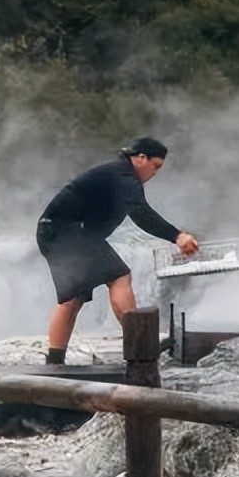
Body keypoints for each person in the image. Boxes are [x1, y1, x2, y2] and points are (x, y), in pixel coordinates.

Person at [36, 137, 199, 365]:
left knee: (73, 298)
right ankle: (141, 344)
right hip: (67, 233)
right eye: (155, 166)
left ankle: (55, 361)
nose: (155, 173)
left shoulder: (120, 175)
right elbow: (141, 214)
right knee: (119, 276)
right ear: (141, 158)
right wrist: (177, 236)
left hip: (55, 231)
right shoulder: (124, 177)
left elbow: (134, 213)